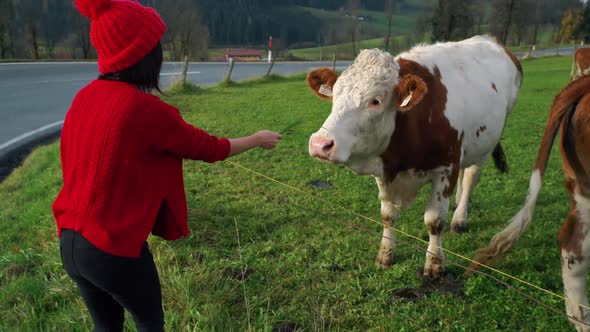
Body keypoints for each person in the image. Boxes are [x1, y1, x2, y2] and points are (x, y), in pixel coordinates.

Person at [53, 1, 282, 331]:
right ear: (143, 54)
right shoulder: (146, 110)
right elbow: (210, 148)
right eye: (155, 45)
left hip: (70, 243)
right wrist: (256, 138)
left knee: (105, 326)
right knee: (150, 323)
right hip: (111, 250)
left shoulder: (84, 96)